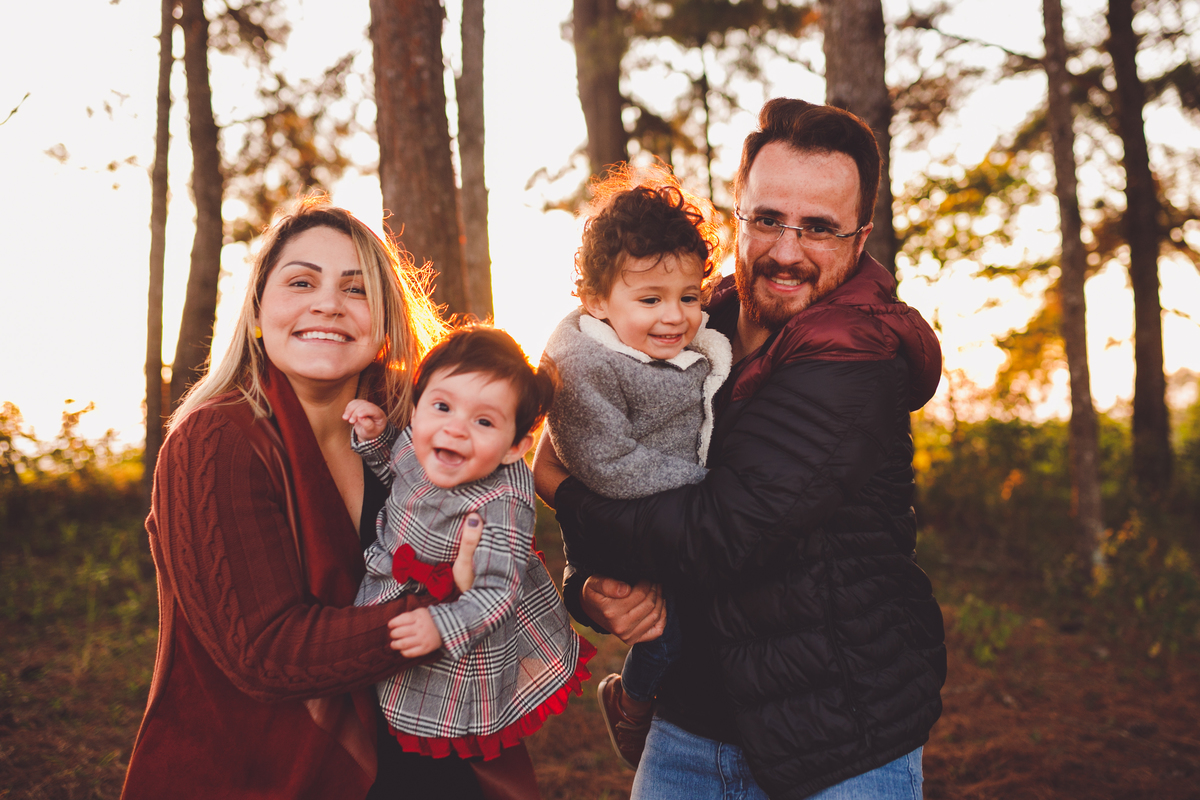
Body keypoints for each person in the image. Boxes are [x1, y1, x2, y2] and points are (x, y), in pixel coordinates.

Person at [535, 98, 947, 800]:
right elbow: (611, 449)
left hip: (837, 738)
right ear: (738, 213)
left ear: (861, 236)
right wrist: (590, 589)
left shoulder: (855, 357)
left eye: (819, 228)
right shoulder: (694, 319)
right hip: (691, 724)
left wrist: (562, 489)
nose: (787, 250)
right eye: (768, 220)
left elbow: (721, 534)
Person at [122, 199, 510, 800]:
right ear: (257, 311)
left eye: (356, 290)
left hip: (429, 754)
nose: (328, 303)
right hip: (271, 770)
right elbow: (264, 651)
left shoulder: (418, 436)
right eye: (301, 282)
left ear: (384, 322)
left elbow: (507, 559)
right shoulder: (218, 440)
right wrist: (440, 605)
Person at [539, 167, 730, 770]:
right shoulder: (582, 364)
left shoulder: (692, 346)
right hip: (612, 527)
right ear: (597, 301)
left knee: (697, 614)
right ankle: (633, 700)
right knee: (664, 629)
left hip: (666, 517)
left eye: (688, 297)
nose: (674, 316)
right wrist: (708, 486)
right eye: (650, 300)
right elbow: (608, 464)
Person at [344, 325, 594, 764]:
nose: (456, 429)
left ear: (515, 447)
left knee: (437, 736)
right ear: (418, 409)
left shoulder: (502, 501)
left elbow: (497, 591)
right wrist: (376, 438)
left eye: (483, 421)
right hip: (398, 587)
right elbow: (399, 480)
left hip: (465, 625)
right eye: (442, 406)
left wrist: (443, 626)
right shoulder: (423, 442)